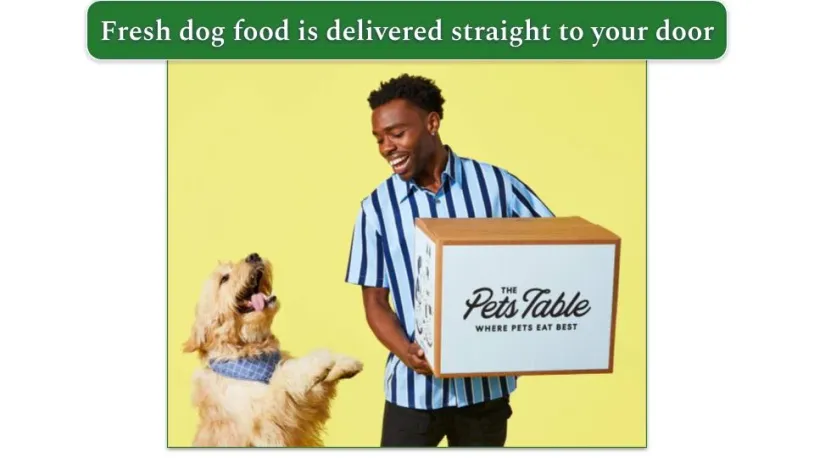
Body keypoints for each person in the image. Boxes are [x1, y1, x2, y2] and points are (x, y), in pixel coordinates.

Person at [344, 73, 555, 447]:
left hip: (484, 394)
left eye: (396, 133)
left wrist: (524, 328)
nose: (386, 147)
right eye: (379, 138)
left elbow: (555, 247)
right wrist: (407, 354)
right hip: (413, 394)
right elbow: (375, 302)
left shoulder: (495, 185)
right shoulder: (376, 209)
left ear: (432, 123)